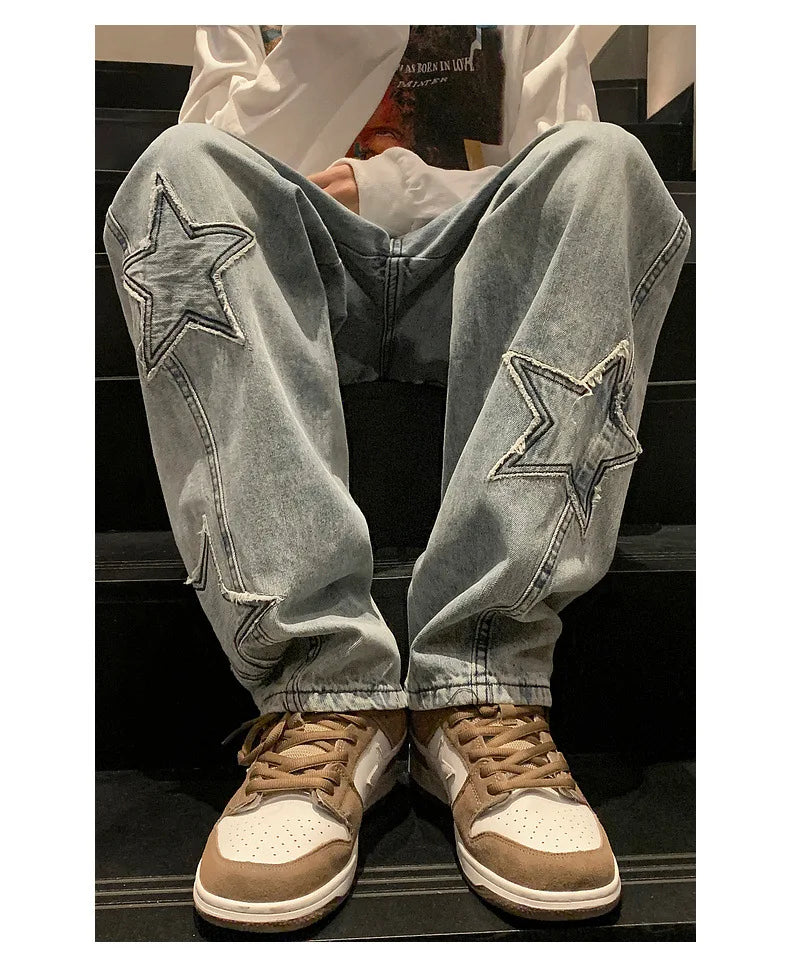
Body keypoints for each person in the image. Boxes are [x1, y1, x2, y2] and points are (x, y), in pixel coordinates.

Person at [103, 24, 690, 932]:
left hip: (476, 278)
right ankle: (324, 693)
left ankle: (481, 682)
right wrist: (344, 37)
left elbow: (552, 175)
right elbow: (229, 170)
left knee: (608, 161)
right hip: (301, 281)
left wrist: (393, 188)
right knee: (176, 167)